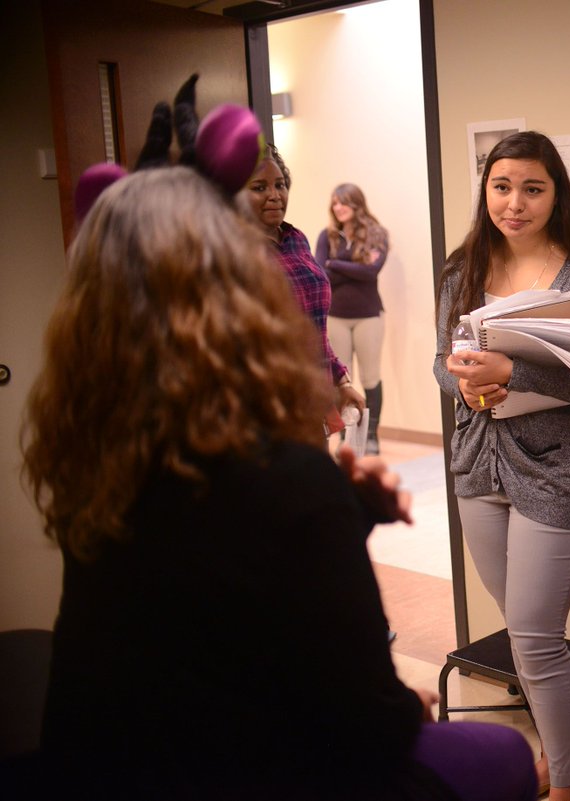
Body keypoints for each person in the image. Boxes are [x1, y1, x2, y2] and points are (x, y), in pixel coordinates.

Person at [19, 166, 537, 801]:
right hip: (255, 773)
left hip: (104, 772)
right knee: (510, 758)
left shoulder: (94, 468)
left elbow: (204, 612)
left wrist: (339, 516)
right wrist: (409, 707)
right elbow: (364, 720)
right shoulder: (288, 480)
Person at [433, 131, 570, 801]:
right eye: (501, 186)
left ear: (557, 192)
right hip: (477, 467)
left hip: (556, 473)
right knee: (526, 636)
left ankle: (567, 789)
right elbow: (442, 359)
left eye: (531, 188)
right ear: (486, 189)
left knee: (535, 637)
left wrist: (512, 370)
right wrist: (462, 382)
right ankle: (560, 761)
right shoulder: (462, 266)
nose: (513, 202)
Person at [238, 144, 365, 427]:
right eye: (259, 188)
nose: (274, 195)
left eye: (280, 185)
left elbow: (313, 329)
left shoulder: (296, 240)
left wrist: (341, 381)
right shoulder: (233, 253)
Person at [316, 183, 390, 454]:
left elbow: (371, 272)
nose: (338, 208)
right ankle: (348, 437)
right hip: (335, 316)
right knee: (343, 379)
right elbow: (320, 274)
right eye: (334, 203)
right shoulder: (327, 236)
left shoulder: (376, 234)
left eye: (343, 202)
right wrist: (355, 267)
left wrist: (334, 264)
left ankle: (371, 436)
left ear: (356, 203)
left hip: (369, 316)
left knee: (370, 378)